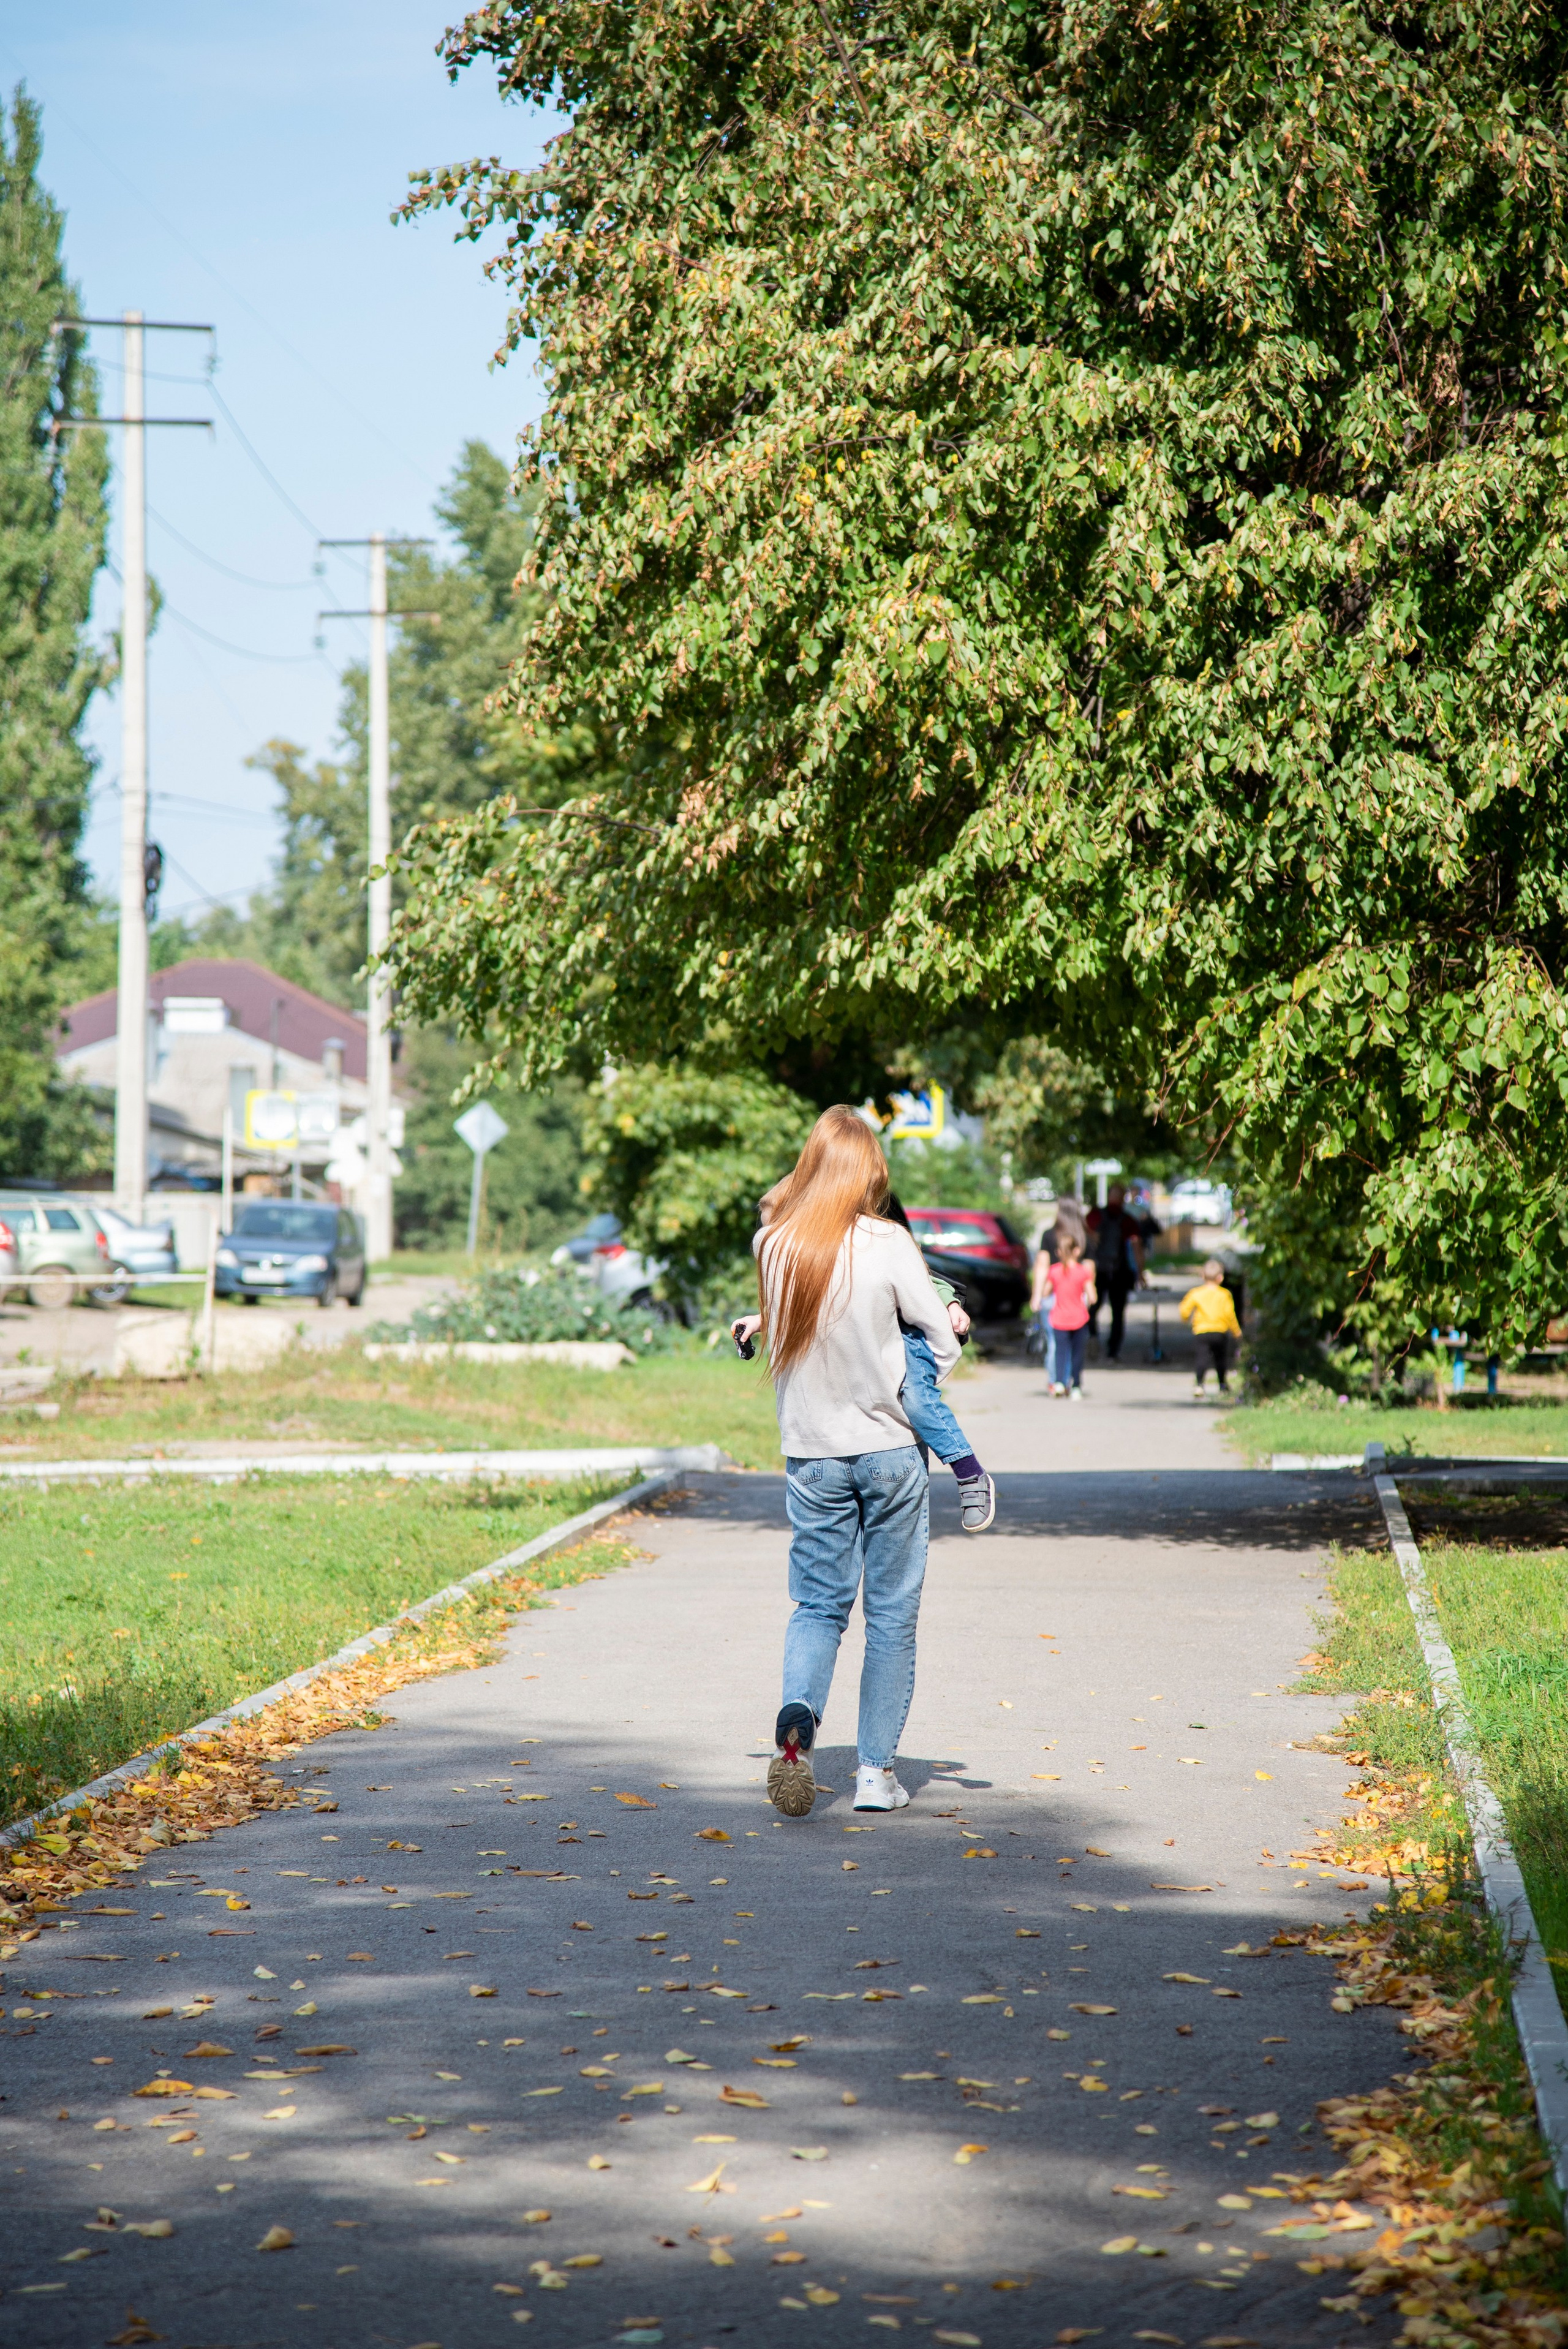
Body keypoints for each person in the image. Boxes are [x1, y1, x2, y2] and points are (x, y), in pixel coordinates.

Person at [734, 1106, 961, 1822]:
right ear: (871, 1173)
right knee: (890, 1616)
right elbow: (937, 1336)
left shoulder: (774, 1244)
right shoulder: (888, 1241)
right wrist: (924, 1365)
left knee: (818, 1606)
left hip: (811, 1456)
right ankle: (874, 1773)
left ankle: (798, 1728)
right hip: (890, 1450)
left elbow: (795, 1326)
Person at [1031, 1230, 1096, 1398]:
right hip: (1080, 1319)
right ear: (1077, 1251)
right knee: (1077, 1354)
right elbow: (1093, 1297)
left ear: (1059, 1253)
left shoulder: (1054, 1271)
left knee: (1060, 1352)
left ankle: (1059, 1383)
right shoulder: (1084, 1272)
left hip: (1059, 1319)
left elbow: (1046, 1293)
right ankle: (1076, 1386)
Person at [1086, 1182, 1145, 1361]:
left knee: (1092, 1309)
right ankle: (1113, 1351)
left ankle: (1093, 1337)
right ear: (1123, 1199)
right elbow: (1137, 1248)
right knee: (1118, 1313)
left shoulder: (1095, 1216)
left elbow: (1084, 1235)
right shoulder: (1127, 1220)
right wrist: (1140, 1273)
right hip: (1120, 1272)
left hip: (1098, 1272)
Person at [1180, 1256, 1242, 1395]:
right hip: (1220, 1331)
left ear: (1202, 1276)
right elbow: (1230, 1314)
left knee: (1202, 1358)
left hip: (1201, 1332)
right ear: (1220, 1278)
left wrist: (1185, 1319)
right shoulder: (1225, 1294)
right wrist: (1236, 1332)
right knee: (1221, 1359)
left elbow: (1185, 1309)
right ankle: (1222, 1385)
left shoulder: (1196, 1293)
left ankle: (1200, 1385)